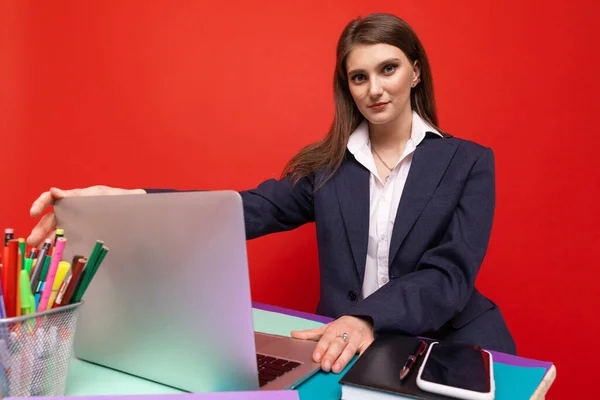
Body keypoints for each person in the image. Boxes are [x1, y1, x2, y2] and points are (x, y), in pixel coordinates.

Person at [27, 13, 516, 375]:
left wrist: (366, 318)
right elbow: (243, 210)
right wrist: (125, 200)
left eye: (387, 69)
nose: (374, 89)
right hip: (351, 349)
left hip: (450, 341)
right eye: (358, 77)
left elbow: (449, 274)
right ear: (347, 88)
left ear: (415, 71)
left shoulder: (470, 162)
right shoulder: (329, 168)